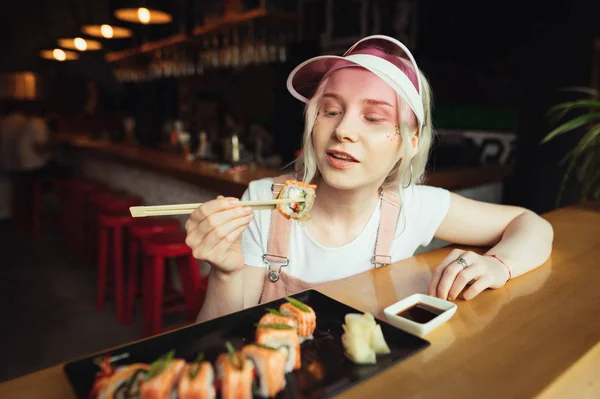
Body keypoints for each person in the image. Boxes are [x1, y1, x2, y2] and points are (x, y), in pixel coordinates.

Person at [185, 35, 554, 322]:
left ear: (408, 141)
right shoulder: (263, 203)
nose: (343, 129)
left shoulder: (413, 206)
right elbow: (221, 342)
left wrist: (497, 266)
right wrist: (226, 273)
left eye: (373, 118)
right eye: (330, 110)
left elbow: (532, 224)